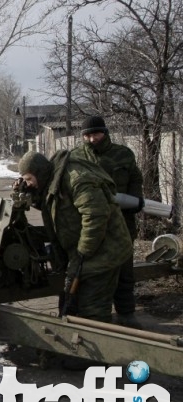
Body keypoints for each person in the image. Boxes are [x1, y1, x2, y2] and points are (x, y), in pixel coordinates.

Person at [17, 150, 132, 324]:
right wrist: (30, 194)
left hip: (103, 252)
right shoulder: (53, 178)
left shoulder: (76, 178)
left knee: (92, 311)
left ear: (39, 172)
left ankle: (98, 342)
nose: (28, 183)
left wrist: (82, 252)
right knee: (71, 305)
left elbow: (96, 216)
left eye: (29, 179)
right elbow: (54, 206)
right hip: (84, 254)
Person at [71, 115, 144, 329]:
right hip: (91, 222)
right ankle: (86, 314)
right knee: (88, 269)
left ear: (105, 133)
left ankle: (126, 313)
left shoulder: (123, 154)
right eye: (87, 135)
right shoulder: (76, 157)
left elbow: (135, 178)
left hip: (122, 221)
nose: (92, 139)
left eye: (96, 133)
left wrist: (134, 200)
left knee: (124, 268)